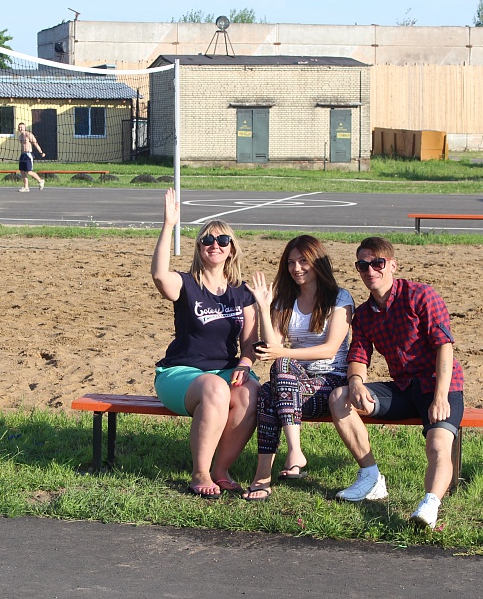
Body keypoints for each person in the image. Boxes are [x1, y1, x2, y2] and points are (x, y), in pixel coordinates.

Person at [327, 236, 464, 529]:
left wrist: (440, 397)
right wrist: (355, 383)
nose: (370, 271)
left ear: (392, 265)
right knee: (339, 396)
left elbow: (445, 347)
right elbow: (359, 354)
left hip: (439, 385)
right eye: (363, 265)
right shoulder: (364, 314)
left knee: (438, 444)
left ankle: (429, 506)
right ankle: (371, 477)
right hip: (403, 387)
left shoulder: (421, 296)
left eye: (377, 263)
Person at [152, 187, 260, 500]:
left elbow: (250, 342)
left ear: (231, 249)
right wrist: (168, 225)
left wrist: (245, 363)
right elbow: (159, 276)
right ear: (199, 248)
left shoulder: (242, 293)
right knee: (215, 388)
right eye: (208, 240)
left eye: (222, 240)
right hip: (181, 375)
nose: (215, 245)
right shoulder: (186, 284)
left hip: (227, 371)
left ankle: (221, 470)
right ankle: (199, 473)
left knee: (251, 391)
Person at [242, 235, 354, 501]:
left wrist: (283, 353)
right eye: (291, 262)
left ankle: (265, 475)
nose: (297, 268)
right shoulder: (285, 300)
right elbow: (273, 347)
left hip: (331, 383)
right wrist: (265, 307)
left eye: (304, 261)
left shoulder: (339, 298)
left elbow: (329, 349)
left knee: (271, 390)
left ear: (318, 262)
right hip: (295, 385)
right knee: (274, 382)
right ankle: (291, 455)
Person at [17, 122, 45, 193]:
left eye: (21, 127)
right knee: (22, 171)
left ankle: (40, 181)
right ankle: (26, 187)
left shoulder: (29, 135)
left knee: (29, 172)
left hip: (28, 155)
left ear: (24, 127)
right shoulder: (20, 137)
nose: (20, 129)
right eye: (19, 127)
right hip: (22, 155)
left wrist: (41, 152)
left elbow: (36, 144)